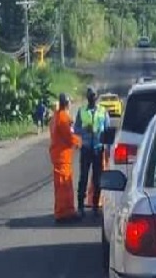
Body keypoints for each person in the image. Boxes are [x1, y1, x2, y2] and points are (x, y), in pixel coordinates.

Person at [74, 87, 111, 218]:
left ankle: (95, 206)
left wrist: (108, 148)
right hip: (85, 148)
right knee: (83, 178)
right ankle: (80, 206)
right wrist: (85, 129)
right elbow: (76, 129)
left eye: (94, 97)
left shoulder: (102, 111)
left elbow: (107, 130)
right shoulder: (81, 111)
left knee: (97, 179)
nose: (92, 99)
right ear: (87, 98)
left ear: (96, 98)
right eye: (90, 97)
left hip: (98, 148)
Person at [48, 93, 82, 224]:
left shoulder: (57, 116)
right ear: (67, 104)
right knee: (64, 185)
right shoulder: (62, 118)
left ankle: (67, 211)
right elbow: (69, 136)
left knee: (65, 185)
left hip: (61, 155)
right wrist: (79, 142)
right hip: (62, 156)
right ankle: (63, 213)